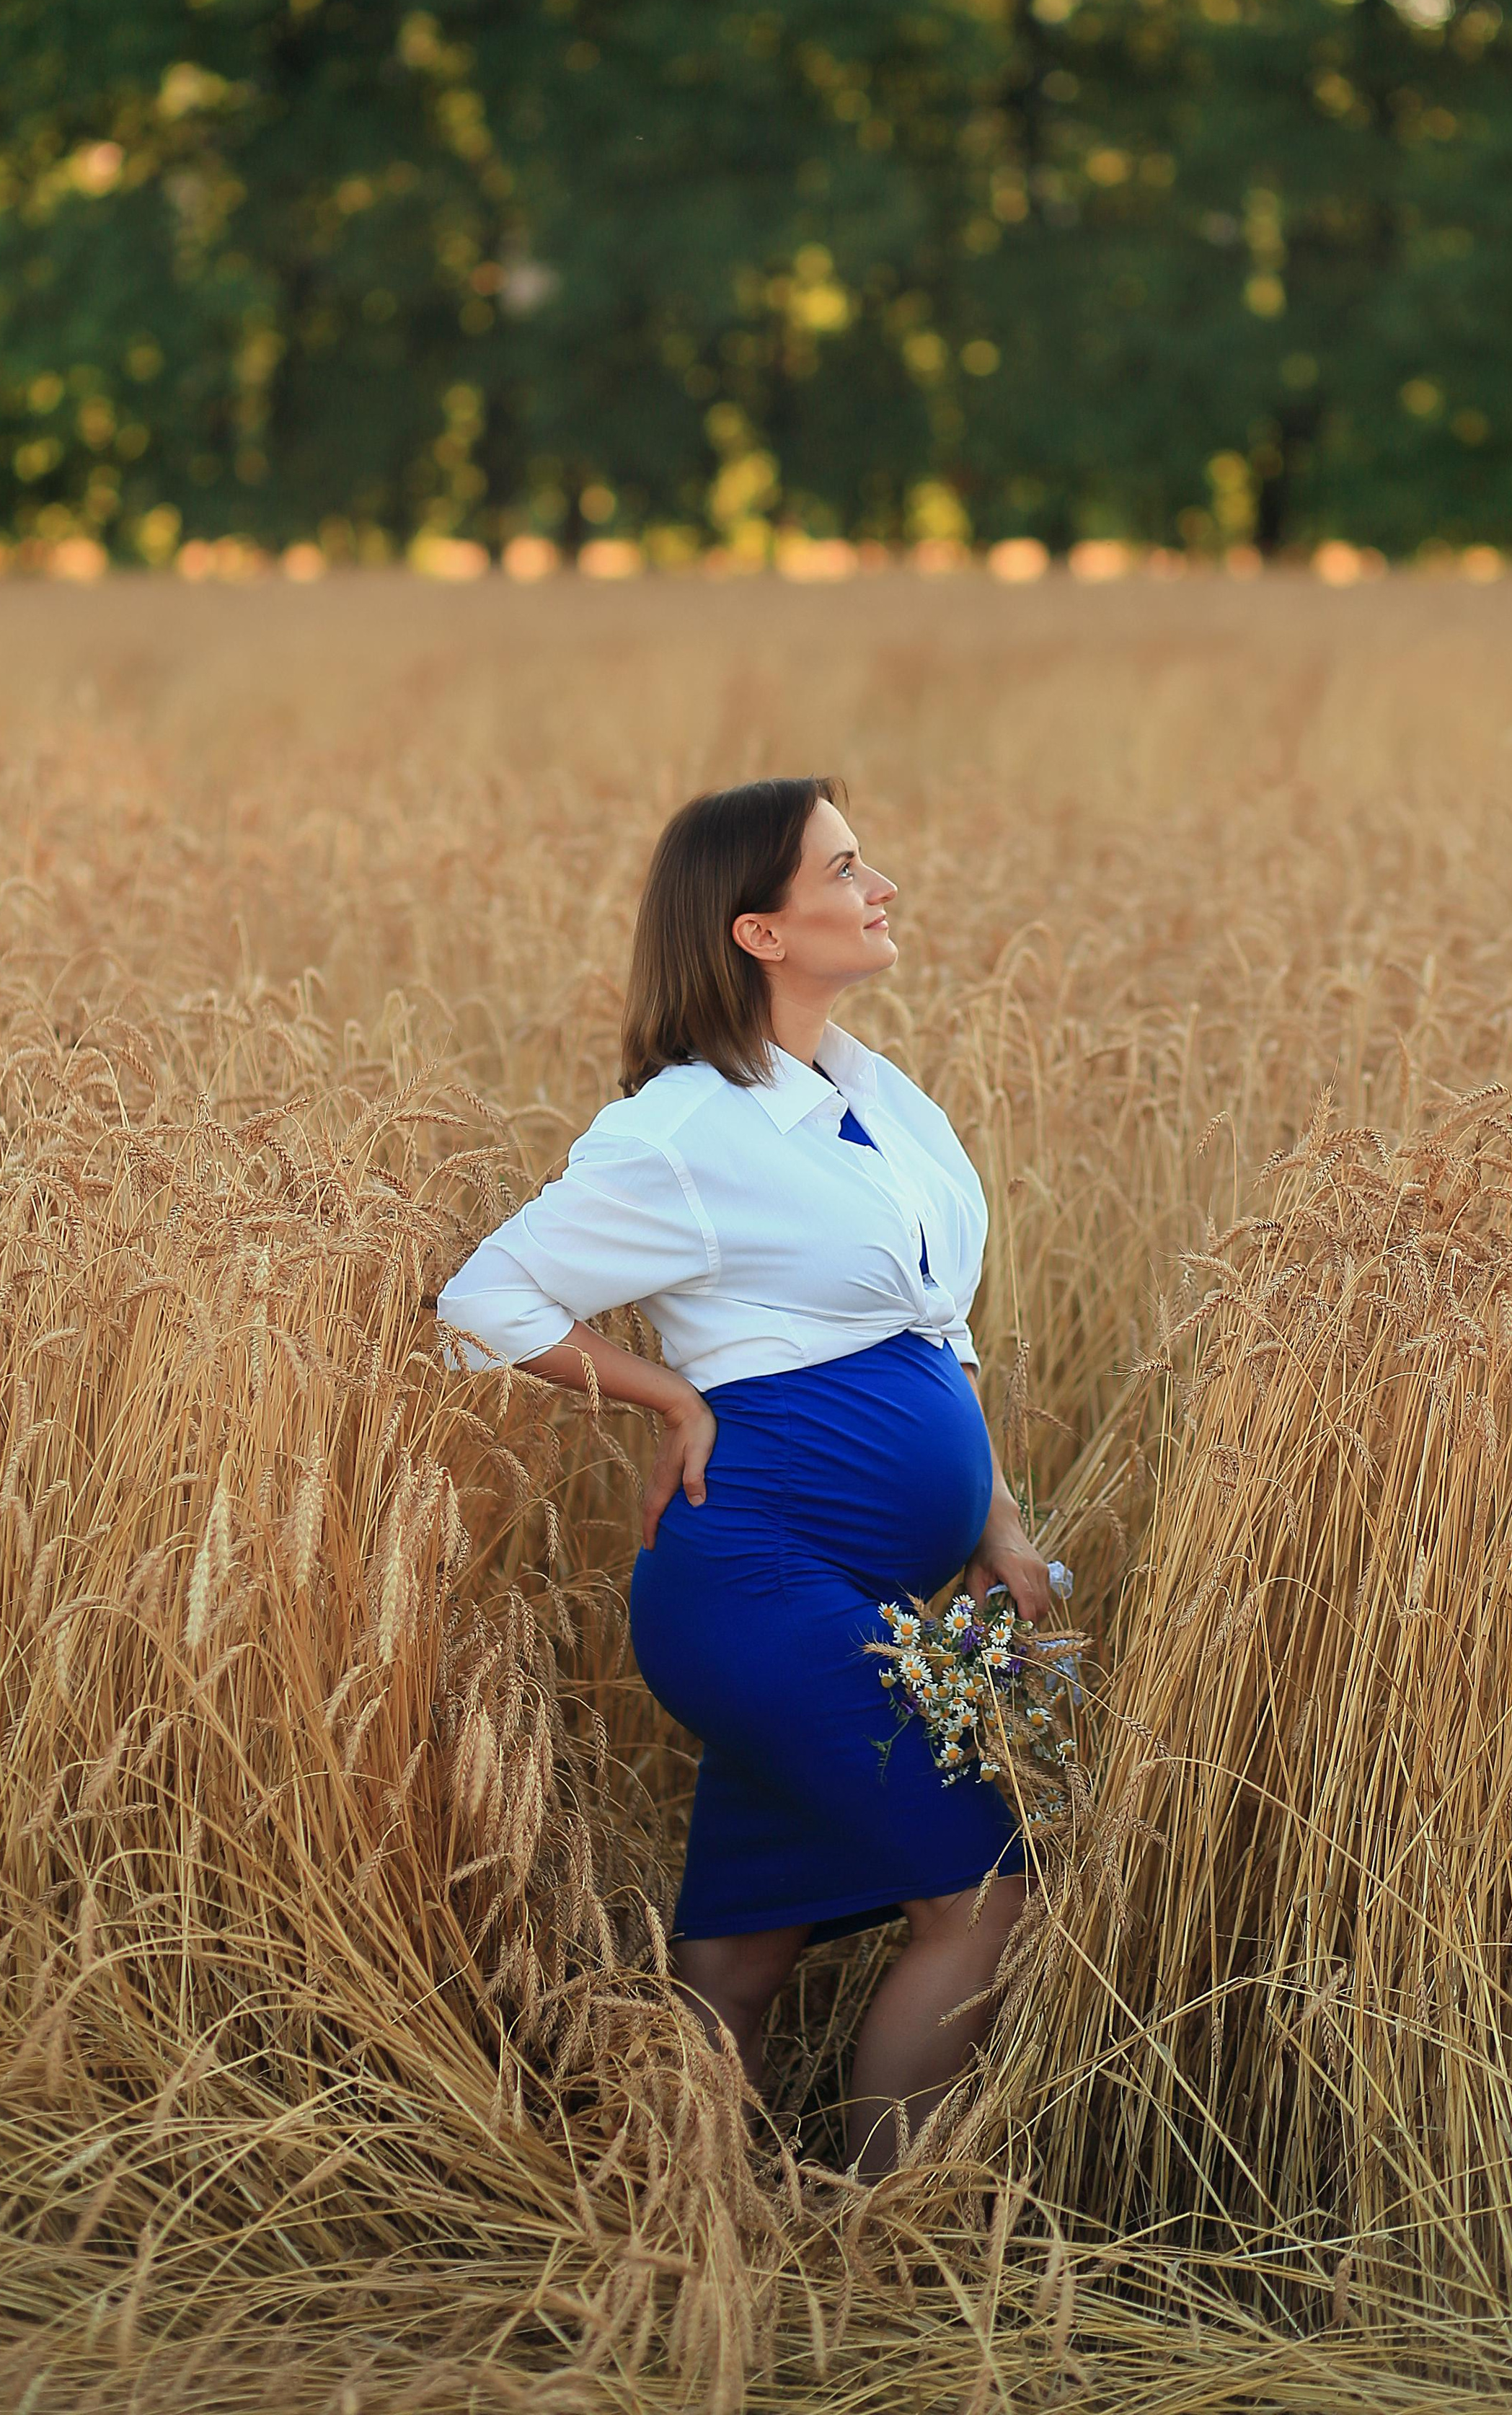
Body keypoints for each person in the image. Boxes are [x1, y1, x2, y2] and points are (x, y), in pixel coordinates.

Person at [438, 776, 1053, 2173]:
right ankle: (884, 2244)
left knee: (739, 1955)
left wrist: (992, 1518)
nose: (879, 886)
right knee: (983, 1893)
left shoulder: (880, 1098)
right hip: (755, 1587)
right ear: (758, 932)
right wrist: (663, 1395)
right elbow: (486, 1297)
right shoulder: (686, 1129)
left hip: (863, 1586)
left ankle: (674, 2228)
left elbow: (936, 1329)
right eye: (843, 869)